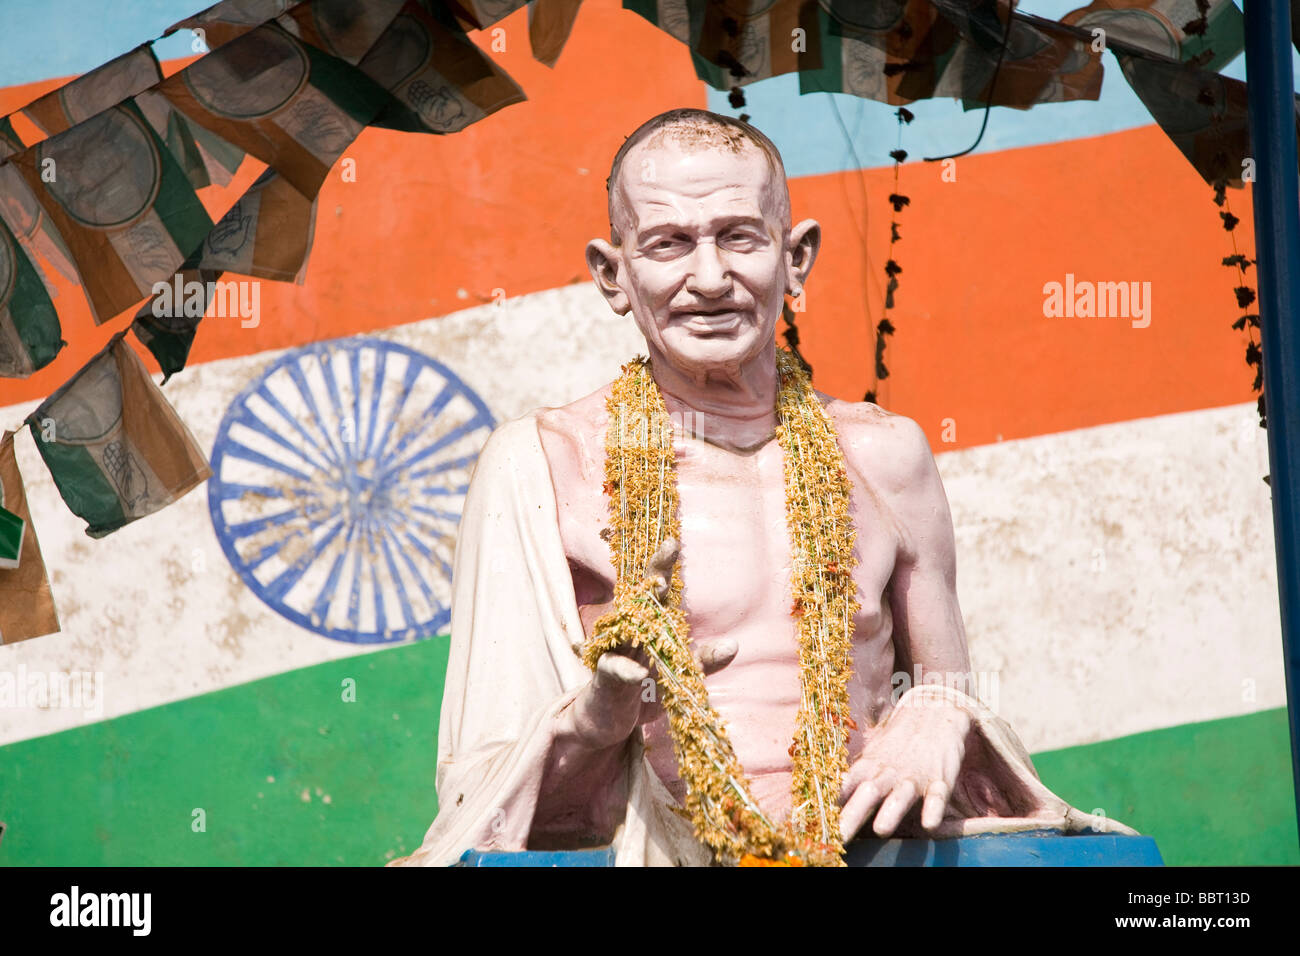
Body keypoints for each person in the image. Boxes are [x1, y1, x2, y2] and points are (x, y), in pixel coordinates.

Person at [394, 108, 1133, 867]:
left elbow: (945, 685)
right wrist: (599, 713)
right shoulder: (543, 466)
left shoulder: (886, 456)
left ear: (796, 257)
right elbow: (488, 799)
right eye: (669, 243)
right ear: (612, 275)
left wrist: (941, 711)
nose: (709, 279)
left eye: (739, 237)